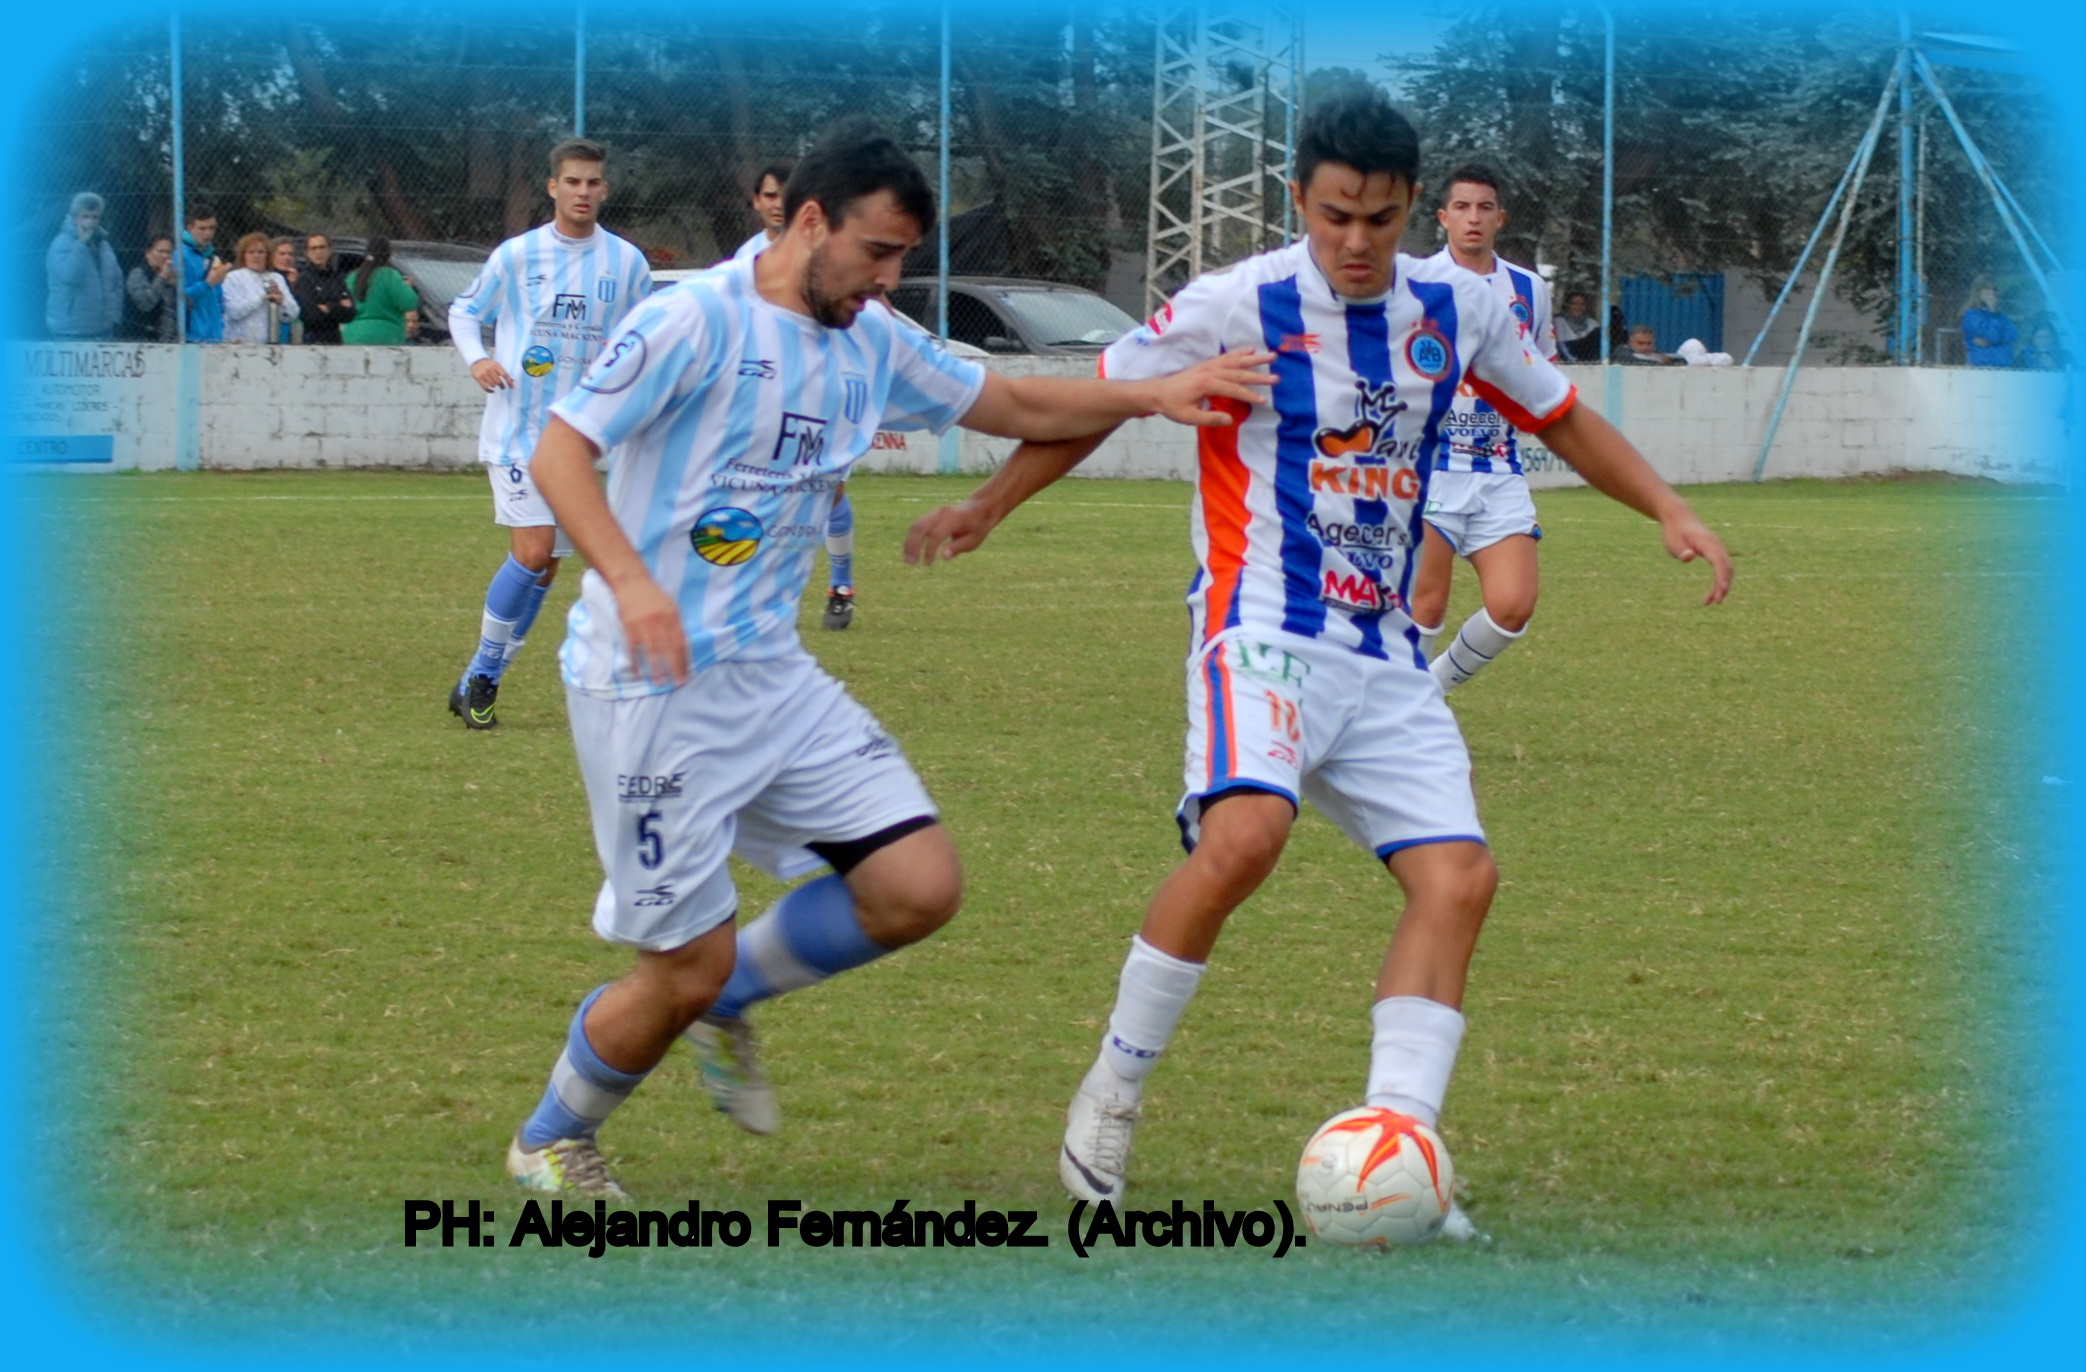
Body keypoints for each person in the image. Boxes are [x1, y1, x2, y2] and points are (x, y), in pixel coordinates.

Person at [904, 87, 1732, 1237]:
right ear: (1300, 197)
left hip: (1384, 649)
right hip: (1261, 625)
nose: (1356, 241)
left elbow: (1560, 416)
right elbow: (1101, 402)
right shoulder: (1236, 301)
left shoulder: (1457, 307)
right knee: (1246, 836)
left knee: (1460, 880)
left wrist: (1667, 508)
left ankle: (1399, 1148)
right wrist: (991, 504)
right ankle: (1113, 1088)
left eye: (1381, 220)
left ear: (1409, 214)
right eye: (1337, 214)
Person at [502, 117, 1272, 1198]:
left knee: (915, 885)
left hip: (769, 672)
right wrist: (632, 583)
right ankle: (551, 1135)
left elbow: (1010, 401)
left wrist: (1151, 393)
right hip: (650, 690)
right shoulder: (691, 320)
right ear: (808, 220)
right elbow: (558, 449)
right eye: (876, 251)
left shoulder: (869, 334)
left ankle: (729, 1002)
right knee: (682, 963)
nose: (888, 277)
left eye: (904, 256)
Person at [443, 137, 652, 730]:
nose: (583, 192)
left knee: (548, 566)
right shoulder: (517, 255)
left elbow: (643, 337)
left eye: (593, 182)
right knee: (533, 551)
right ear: (553, 187)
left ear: (604, 189)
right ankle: (484, 672)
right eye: (573, 182)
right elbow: (464, 310)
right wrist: (476, 358)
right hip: (518, 429)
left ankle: (479, 679)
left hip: (580, 439)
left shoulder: (628, 264)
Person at [1407, 165, 1554, 692]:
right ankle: (1389, 715)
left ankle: (1430, 691)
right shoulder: (1415, 284)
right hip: (1430, 469)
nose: (1473, 218)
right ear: (1443, 217)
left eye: (1484, 208)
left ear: (1500, 219)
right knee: (1425, 604)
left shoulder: (1529, 289)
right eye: (1462, 208)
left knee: (1513, 607)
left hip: (1498, 469)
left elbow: (1541, 370)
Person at [724, 160, 860, 631]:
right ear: (756, 202)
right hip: (762, 392)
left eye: (785, 194)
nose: (776, 204)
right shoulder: (743, 261)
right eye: (768, 195)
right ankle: (748, 595)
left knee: (827, 487)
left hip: (820, 388)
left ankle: (841, 587)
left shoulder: (827, 251)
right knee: (751, 487)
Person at [45, 192, 125, 341]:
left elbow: (117, 281)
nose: (91, 222)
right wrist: (81, 244)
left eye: (95, 217)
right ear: (75, 218)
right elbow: (70, 276)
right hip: (70, 331)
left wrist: (113, 316)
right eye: (85, 216)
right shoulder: (60, 244)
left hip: (103, 330)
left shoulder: (104, 245)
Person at [338, 237, 420, 345]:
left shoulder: (352, 278)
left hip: (353, 335)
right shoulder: (389, 276)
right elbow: (410, 302)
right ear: (388, 255)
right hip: (387, 335)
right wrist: (406, 287)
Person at [222, 232, 299, 345]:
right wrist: (262, 297)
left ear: (268, 255)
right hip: (239, 343)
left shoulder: (276, 278)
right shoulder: (233, 277)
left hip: (268, 343)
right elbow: (234, 311)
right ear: (243, 255)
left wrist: (282, 301)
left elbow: (293, 314)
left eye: (261, 252)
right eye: (251, 252)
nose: (256, 256)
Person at [178, 204, 231, 343]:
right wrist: (207, 284)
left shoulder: (211, 257)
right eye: (202, 228)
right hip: (191, 336)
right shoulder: (181, 255)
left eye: (212, 228)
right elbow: (179, 296)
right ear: (190, 228)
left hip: (214, 336)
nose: (208, 233)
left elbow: (218, 299)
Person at [294, 233, 357, 344]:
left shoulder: (337, 277)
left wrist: (328, 307)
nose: (318, 252)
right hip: (313, 340)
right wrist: (338, 306)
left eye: (322, 247)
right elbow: (310, 315)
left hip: (335, 339)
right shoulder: (304, 279)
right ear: (308, 253)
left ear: (329, 250)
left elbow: (350, 313)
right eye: (313, 248)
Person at [123, 235, 180, 342]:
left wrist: (174, 286)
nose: (165, 256)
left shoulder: (171, 276)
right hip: (142, 338)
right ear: (148, 253)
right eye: (161, 251)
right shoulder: (138, 273)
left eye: (169, 252)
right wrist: (161, 278)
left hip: (170, 339)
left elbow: (188, 306)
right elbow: (146, 304)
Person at [1961, 279, 2018, 368]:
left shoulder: (2000, 315)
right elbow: (1992, 336)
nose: (1991, 292)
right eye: (1987, 289)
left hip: (2004, 363)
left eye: (1994, 289)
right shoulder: (1972, 315)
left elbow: (2013, 334)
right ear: (1978, 293)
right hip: (1983, 363)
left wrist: (1992, 341)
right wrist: (1992, 311)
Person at [1553, 290, 1601, 363]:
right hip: (1567, 354)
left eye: (1582, 304)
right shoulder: (1559, 321)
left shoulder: (1592, 323)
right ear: (1567, 305)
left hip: (1588, 357)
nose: (1578, 307)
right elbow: (1560, 344)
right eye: (1574, 303)